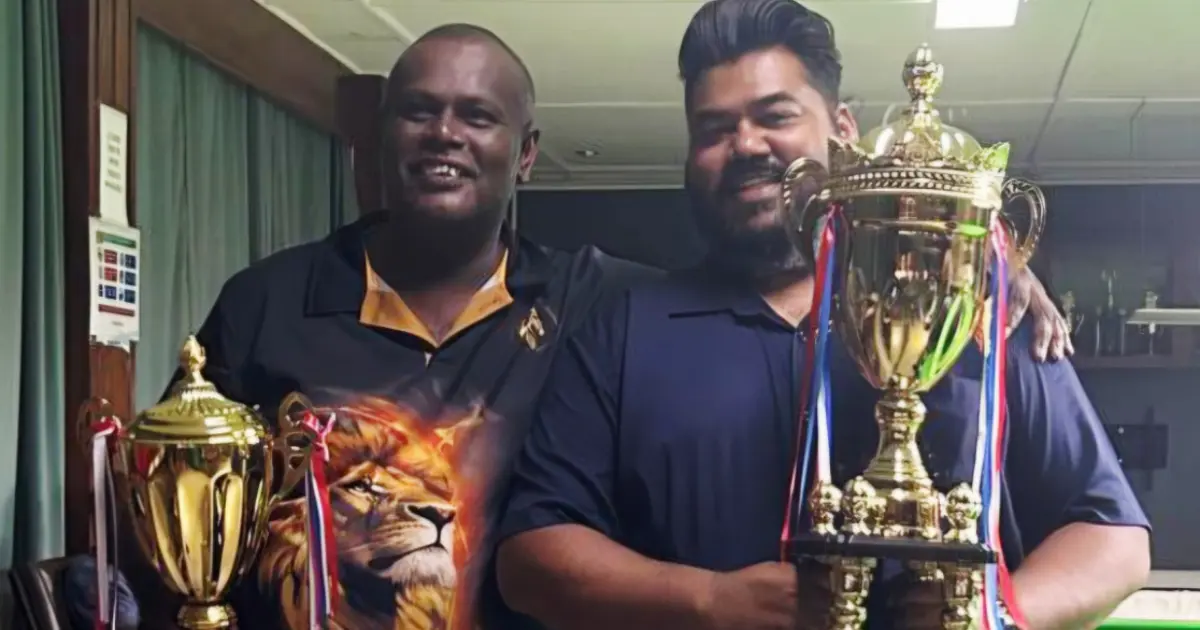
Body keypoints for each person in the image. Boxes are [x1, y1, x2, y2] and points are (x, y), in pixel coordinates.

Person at [106, 17, 1065, 630]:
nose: (445, 134)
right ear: (375, 135)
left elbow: (750, 291)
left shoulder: (600, 303)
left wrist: (978, 268)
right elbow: (176, 522)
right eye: (418, 112)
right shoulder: (264, 302)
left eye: (478, 117)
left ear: (524, 155)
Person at [492, 2, 1150, 630]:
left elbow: (1114, 539)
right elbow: (531, 556)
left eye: (775, 115)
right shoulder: (625, 331)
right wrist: (710, 604)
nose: (746, 144)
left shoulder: (975, 312)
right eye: (714, 129)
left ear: (842, 131)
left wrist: (1002, 612)